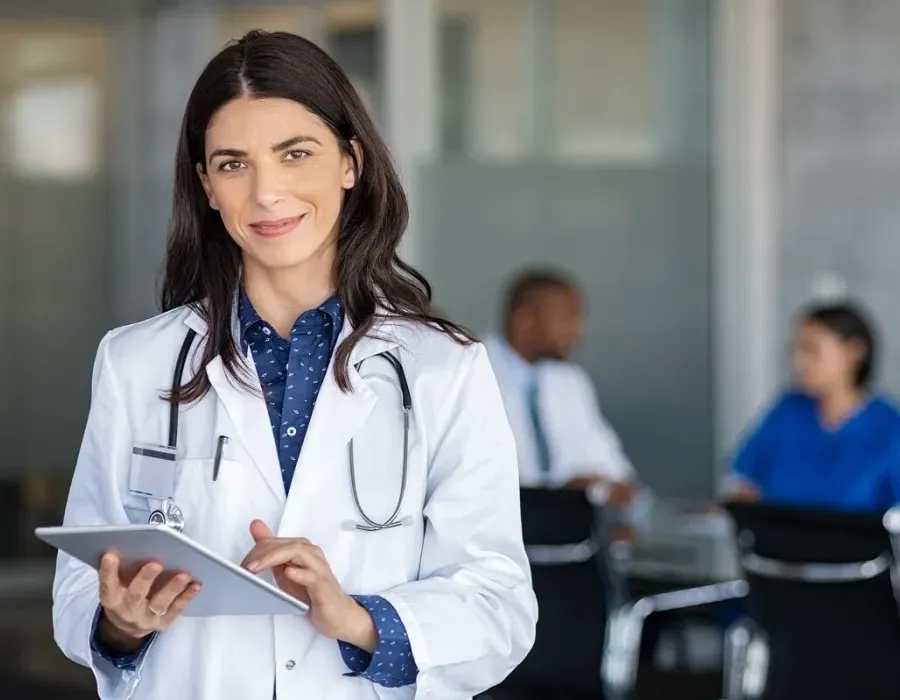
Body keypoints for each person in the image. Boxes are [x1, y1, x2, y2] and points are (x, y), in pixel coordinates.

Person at [51, 31, 537, 700]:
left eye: (295, 154)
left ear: (349, 162)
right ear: (207, 187)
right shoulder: (137, 363)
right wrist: (121, 624)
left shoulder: (442, 369)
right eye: (232, 164)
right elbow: (80, 584)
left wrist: (359, 619)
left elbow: (500, 605)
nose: (266, 192)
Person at [482, 269, 639, 507]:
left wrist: (599, 487)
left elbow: (618, 476)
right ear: (525, 322)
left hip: (571, 535)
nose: (578, 333)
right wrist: (559, 494)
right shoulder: (472, 373)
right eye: (567, 320)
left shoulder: (570, 381)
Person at [726, 301, 900, 512]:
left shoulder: (890, 429)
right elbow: (744, 484)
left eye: (811, 350)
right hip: (778, 543)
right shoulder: (787, 412)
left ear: (853, 352)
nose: (798, 361)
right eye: (796, 350)